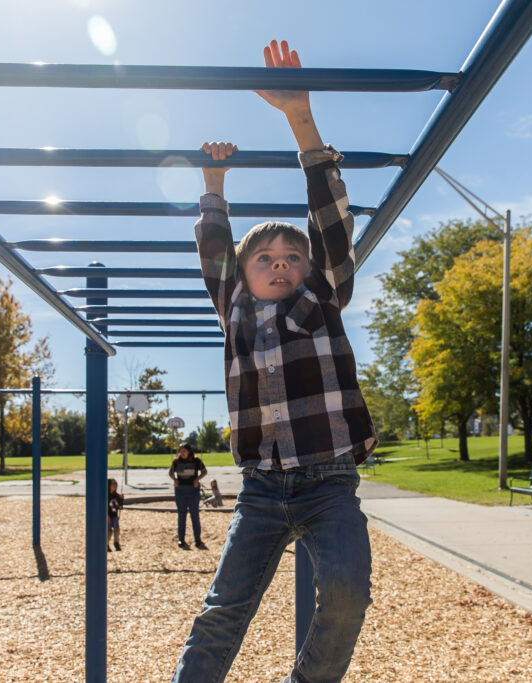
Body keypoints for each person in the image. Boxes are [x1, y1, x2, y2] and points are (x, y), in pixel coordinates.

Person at [172, 40, 377, 683]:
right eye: (265, 259)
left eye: (292, 256)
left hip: (330, 480)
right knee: (225, 607)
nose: (281, 263)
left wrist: (299, 118)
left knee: (347, 590)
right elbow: (214, 250)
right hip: (261, 488)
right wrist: (212, 184)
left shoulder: (324, 297)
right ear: (245, 275)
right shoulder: (231, 306)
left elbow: (331, 224)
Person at [169, 443, 207, 550]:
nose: (182, 453)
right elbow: (170, 473)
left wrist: (197, 479)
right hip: (180, 489)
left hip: (193, 490)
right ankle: (181, 538)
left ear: (189, 451)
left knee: (194, 514)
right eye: (180, 451)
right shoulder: (176, 461)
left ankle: (197, 539)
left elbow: (204, 471)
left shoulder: (196, 460)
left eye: (184, 451)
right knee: (182, 514)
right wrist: (175, 480)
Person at [107, 478, 125, 552]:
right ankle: (106, 544)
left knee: (117, 529)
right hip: (108, 515)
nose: (115, 485)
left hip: (114, 515)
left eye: (116, 484)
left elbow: (120, 506)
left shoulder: (116, 495)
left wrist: (121, 499)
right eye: (113, 484)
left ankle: (116, 542)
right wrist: (106, 516)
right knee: (109, 531)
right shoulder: (106, 496)